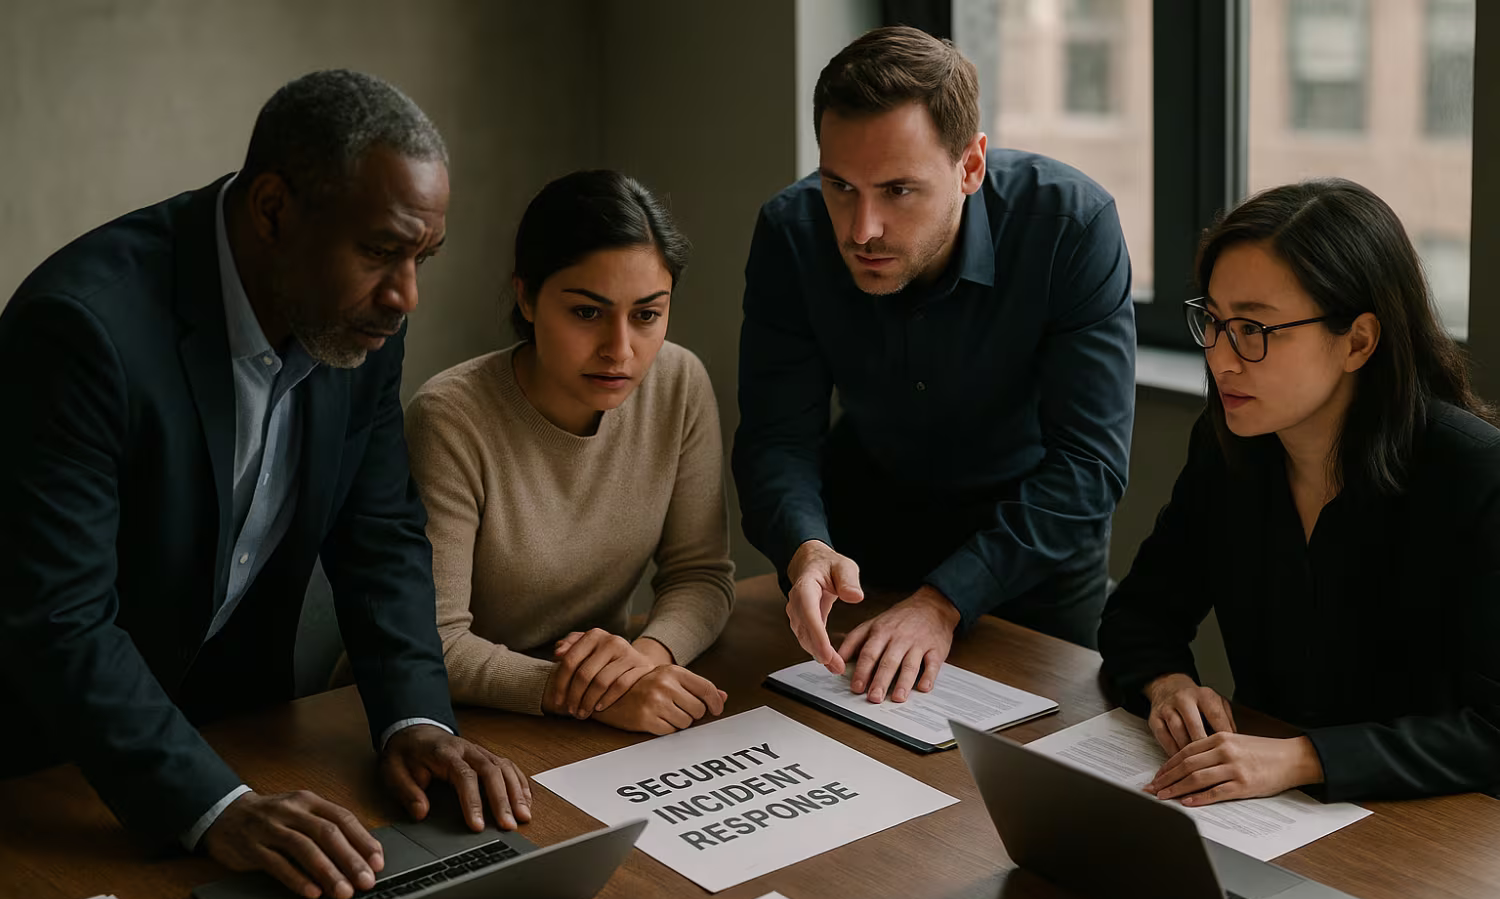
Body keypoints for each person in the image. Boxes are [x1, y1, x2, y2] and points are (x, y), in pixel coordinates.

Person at [0, 70, 532, 899]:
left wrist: (416, 717)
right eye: (381, 251)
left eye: (423, 257)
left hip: (241, 741)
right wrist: (214, 807)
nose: (407, 297)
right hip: (49, 770)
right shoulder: (81, 330)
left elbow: (380, 531)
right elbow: (60, 621)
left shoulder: (362, 317)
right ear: (274, 209)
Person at [732, 26, 1135, 705]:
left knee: (1049, 778)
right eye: (839, 186)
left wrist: (945, 600)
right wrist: (804, 545)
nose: (861, 230)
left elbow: (1089, 466)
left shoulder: (1071, 224)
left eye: (898, 191)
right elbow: (777, 435)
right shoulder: (792, 232)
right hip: (866, 557)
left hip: (1032, 556)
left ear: (971, 166)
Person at [1099, 178, 1500, 804]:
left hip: (1423, 834)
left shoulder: (1473, 473)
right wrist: (1168, 684)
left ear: (1358, 341)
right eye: (1214, 321)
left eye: (1255, 330)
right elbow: (1139, 612)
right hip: (1262, 812)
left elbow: (1489, 732)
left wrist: (1302, 759)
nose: (1222, 361)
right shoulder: (1231, 444)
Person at [406, 170, 735, 736]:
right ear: (527, 298)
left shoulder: (679, 382)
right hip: (450, 721)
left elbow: (700, 574)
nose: (620, 350)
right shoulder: (450, 418)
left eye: (647, 315)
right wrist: (593, 694)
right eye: (587, 312)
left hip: (590, 716)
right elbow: (433, 642)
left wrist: (647, 659)